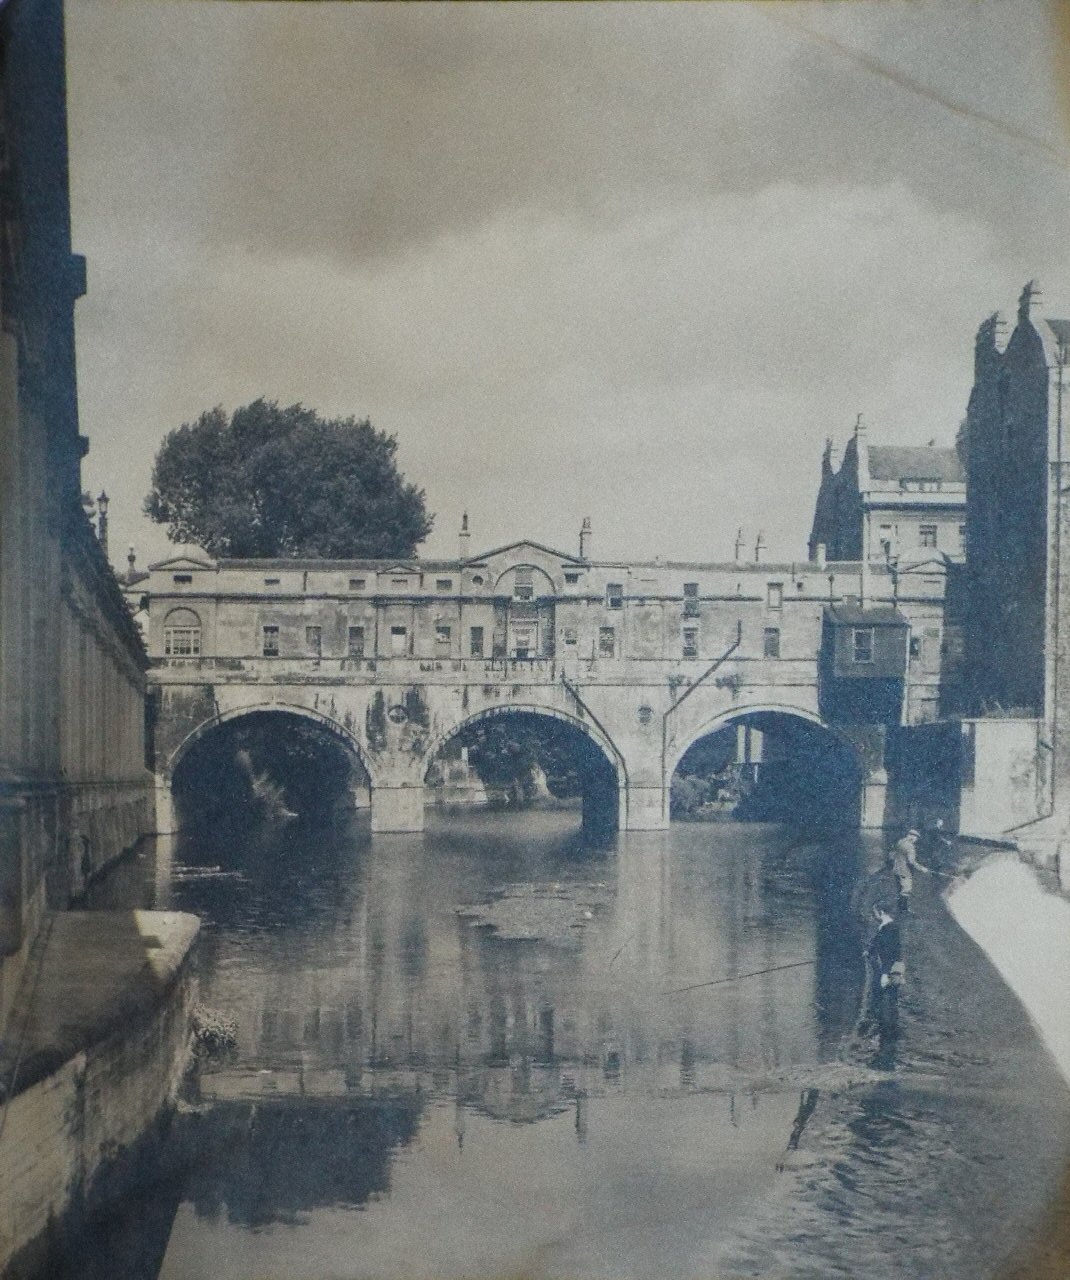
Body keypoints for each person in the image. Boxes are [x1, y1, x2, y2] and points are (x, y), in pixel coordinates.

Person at [862, 903, 905, 1037]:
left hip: (890, 968)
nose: (874, 916)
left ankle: (886, 1031)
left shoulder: (889, 929)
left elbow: (889, 953)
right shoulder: (886, 928)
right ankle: (885, 1029)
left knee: (887, 999)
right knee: (887, 998)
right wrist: (868, 951)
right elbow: (877, 942)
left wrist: (885, 974)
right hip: (891, 966)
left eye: (875, 913)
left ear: (881, 912)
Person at [887, 828, 931, 914]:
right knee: (906, 890)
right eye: (916, 838)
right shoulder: (910, 846)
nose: (916, 840)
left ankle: (900, 909)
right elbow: (911, 862)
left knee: (900, 889)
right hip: (905, 871)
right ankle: (904, 910)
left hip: (896, 870)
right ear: (912, 836)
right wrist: (922, 868)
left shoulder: (900, 842)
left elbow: (892, 854)